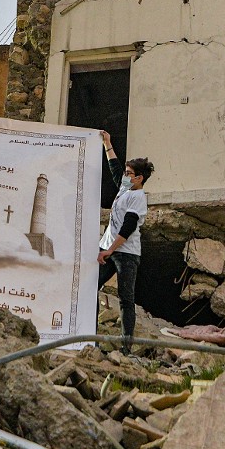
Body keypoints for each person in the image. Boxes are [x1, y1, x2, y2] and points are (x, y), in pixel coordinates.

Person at [97, 130, 153, 354]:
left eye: (130, 173)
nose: (125, 175)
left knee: (125, 299)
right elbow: (114, 169)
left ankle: (126, 347)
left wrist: (108, 251)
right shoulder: (125, 187)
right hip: (109, 248)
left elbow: (127, 229)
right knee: (91, 287)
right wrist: (107, 143)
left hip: (126, 253)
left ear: (139, 178)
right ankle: (89, 336)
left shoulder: (138, 198)